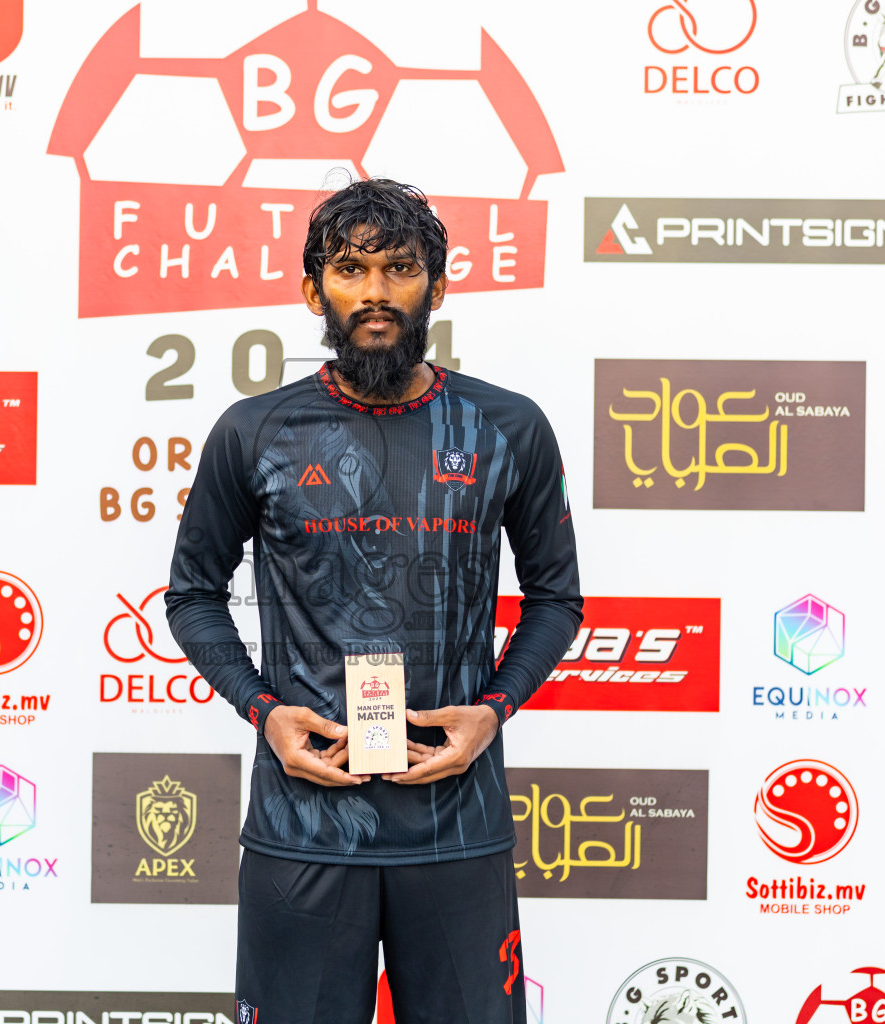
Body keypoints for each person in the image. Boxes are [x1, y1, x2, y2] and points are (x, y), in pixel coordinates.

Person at [165, 178, 582, 1024]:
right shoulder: (254, 432)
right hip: (304, 830)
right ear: (315, 289)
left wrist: (494, 711)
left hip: (456, 827)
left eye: (400, 268)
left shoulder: (509, 428)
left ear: (437, 282)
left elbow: (555, 600)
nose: (377, 294)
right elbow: (193, 595)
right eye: (351, 270)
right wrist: (263, 712)